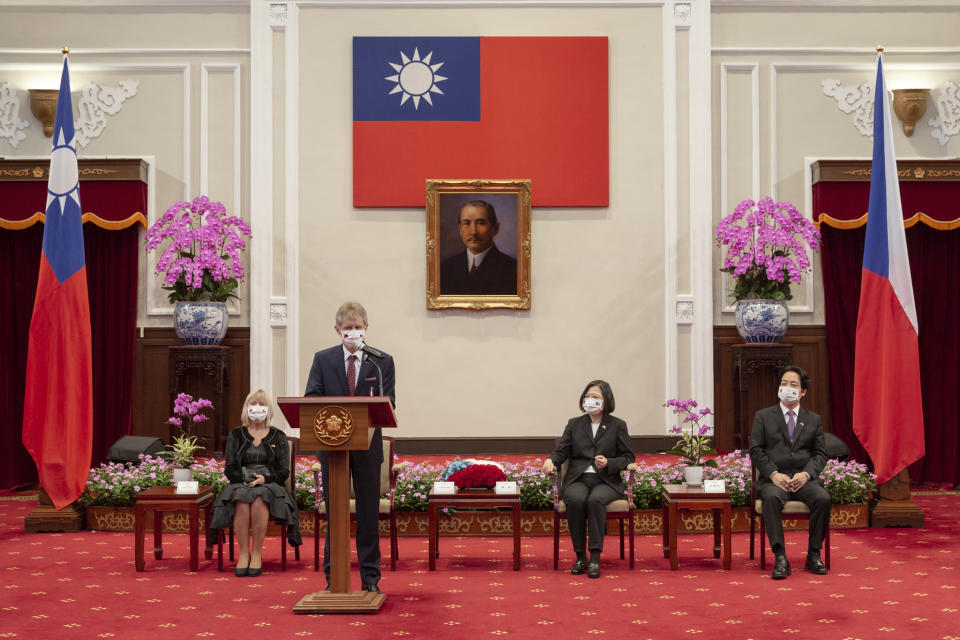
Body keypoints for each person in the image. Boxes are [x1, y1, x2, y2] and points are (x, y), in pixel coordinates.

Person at [304, 301, 396, 594]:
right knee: (336, 514)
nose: (353, 333)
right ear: (337, 330)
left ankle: (370, 579)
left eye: (358, 328)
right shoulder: (323, 360)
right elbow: (312, 398)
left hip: (368, 448)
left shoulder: (381, 361)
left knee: (368, 516)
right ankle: (334, 579)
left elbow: (389, 403)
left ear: (366, 329)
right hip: (333, 449)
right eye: (348, 328)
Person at [542, 380, 634, 578]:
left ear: (606, 400)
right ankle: (580, 556)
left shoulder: (618, 425)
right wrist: (551, 461)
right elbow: (562, 451)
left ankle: (594, 558)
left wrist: (609, 462)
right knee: (575, 499)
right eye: (588, 396)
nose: (590, 401)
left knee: (595, 500)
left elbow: (628, 458)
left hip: (606, 481)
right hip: (579, 479)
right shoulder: (574, 424)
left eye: (596, 397)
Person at [750, 365, 831, 580]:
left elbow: (820, 454)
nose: (787, 388)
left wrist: (806, 475)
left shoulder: (814, 419)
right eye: (784, 383)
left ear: (803, 391)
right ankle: (780, 557)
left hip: (803, 480)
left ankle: (813, 554)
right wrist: (774, 474)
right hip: (774, 480)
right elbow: (756, 450)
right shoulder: (764, 416)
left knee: (823, 499)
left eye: (793, 385)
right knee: (770, 498)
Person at [210, 389, 302, 577]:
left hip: (270, 484)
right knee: (242, 500)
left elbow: (284, 471)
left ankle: (257, 552)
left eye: (262, 404)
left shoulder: (278, 436)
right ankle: (244, 553)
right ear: (246, 408)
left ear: (269, 410)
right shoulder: (236, 435)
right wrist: (243, 478)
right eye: (253, 404)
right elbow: (229, 468)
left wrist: (265, 478)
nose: (257, 408)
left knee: (260, 498)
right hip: (240, 482)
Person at [439, 200, 518, 295]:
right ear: (460, 230)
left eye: (481, 223)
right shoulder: (445, 268)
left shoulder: (513, 270)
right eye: (467, 223)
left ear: (495, 228)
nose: (473, 232)